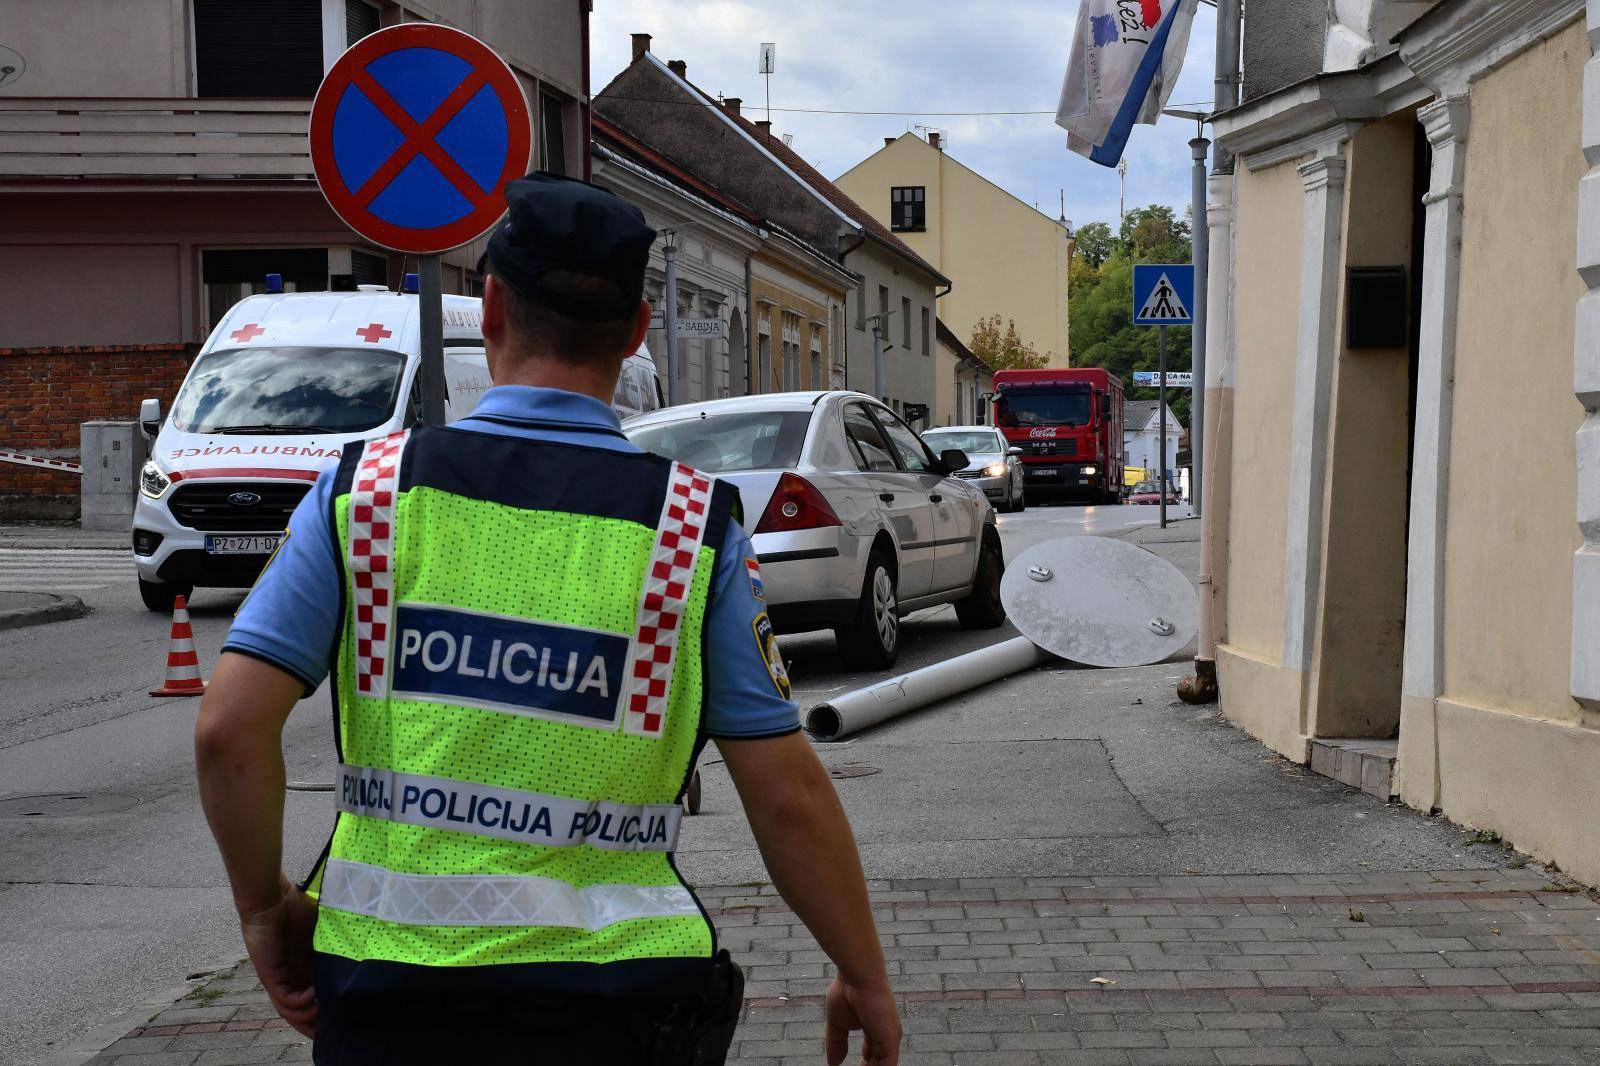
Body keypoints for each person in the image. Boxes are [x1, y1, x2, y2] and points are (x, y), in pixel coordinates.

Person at [194, 172, 901, 1065]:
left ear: (489, 306)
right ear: (637, 334)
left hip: (388, 995)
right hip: (615, 1010)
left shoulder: (366, 494)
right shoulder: (690, 528)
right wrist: (863, 974)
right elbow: (788, 796)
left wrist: (266, 909)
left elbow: (227, 730)